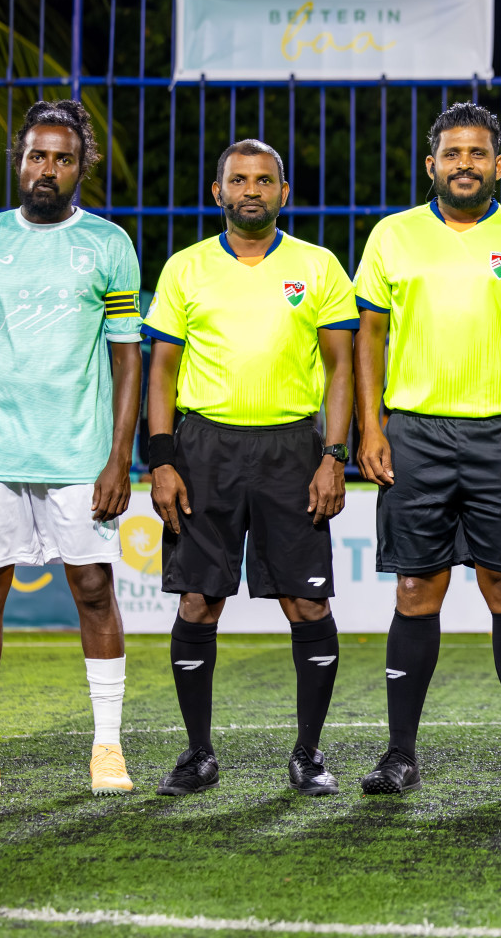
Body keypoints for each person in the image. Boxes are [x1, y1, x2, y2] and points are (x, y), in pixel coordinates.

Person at [352, 103, 501, 798]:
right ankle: (400, 755)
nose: (465, 164)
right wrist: (371, 426)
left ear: (498, 165)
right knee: (416, 589)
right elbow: (369, 338)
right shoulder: (393, 235)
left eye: (478, 154)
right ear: (431, 165)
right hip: (415, 430)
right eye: (453, 154)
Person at [0, 100, 142, 797]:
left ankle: (106, 748)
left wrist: (119, 457)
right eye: (36, 155)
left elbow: (126, 359)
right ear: (18, 160)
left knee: (93, 590)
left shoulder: (108, 245)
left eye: (62, 157)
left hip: (79, 455)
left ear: (82, 167)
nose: (47, 168)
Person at [144, 139, 356, 797]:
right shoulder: (185, 268)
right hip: (204, 449)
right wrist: (161, 459)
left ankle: (309, 756)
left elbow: (343, 367)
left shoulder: (318, 266)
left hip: (293, 450)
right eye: (239, 179)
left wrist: (334, 455)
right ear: (218, 192)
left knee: (306, 600)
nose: (252, 190)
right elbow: (162, 370)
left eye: (264, 180)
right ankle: (198, 755)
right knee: (199, 600)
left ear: (283, 193)